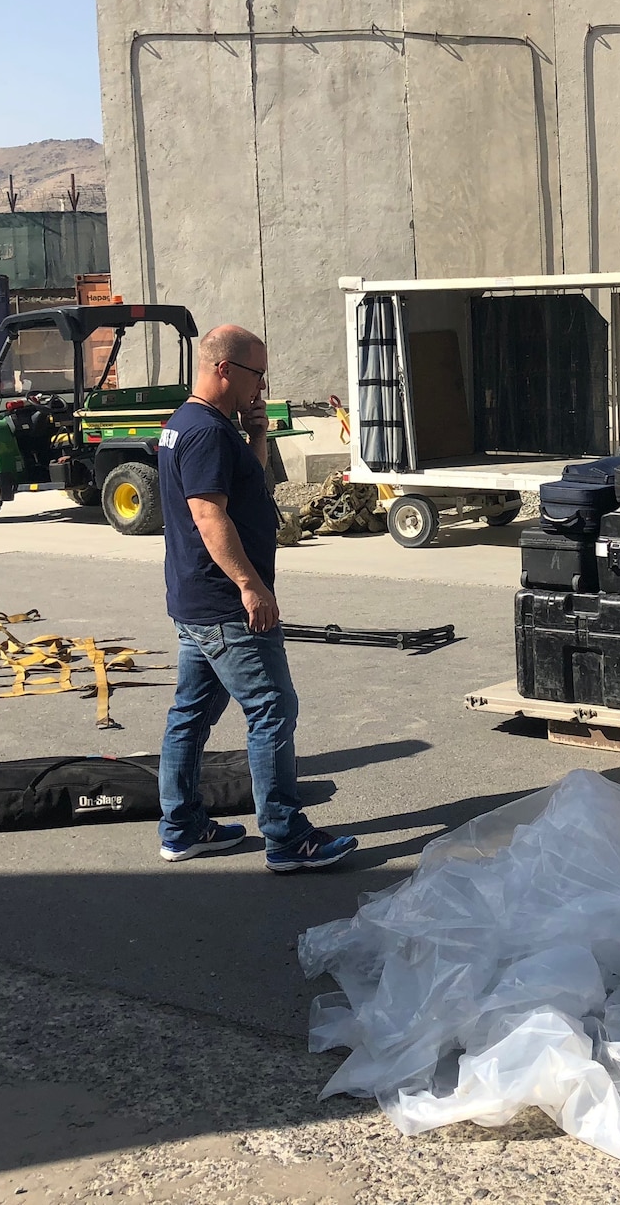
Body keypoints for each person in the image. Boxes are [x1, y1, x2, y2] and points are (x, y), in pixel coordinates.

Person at [157, 324, 356, 871]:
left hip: (198, 599)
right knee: (272, 708)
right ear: (224, 369)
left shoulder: (192, 425)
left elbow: (243, 488)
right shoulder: (203, 433)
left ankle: (181, 827)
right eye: (256, 374)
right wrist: (251, 585)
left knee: (191, 715)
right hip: (226, 604)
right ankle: (287, 838)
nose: (261, 386)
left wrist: (258, 437)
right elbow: (207, 513)